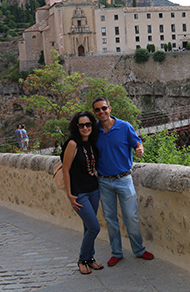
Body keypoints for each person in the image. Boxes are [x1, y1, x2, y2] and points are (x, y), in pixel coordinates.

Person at [92, 96, 154, 266]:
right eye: (97, 109)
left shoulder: (124, 126)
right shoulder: (94, 131)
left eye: (104, 108)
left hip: (124, 179)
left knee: (130, 217)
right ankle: (116, 252)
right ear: (94, 112)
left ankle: (139, 250)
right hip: (104, 181)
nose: (101, 112)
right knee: (110, 219)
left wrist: (140, 149)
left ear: (109, 108)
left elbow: (137, 144)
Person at [62, 111, 104, 274]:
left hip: (93, 190)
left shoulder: (92, 143)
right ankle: (82, 259)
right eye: (81, 125)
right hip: (79, 194)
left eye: (88, 124)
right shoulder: (73, 144)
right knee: (94, 228)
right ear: (76, 127)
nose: (85, 128)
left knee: (88, 228)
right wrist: (70, 195)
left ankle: (90, 259)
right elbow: (66, 170)